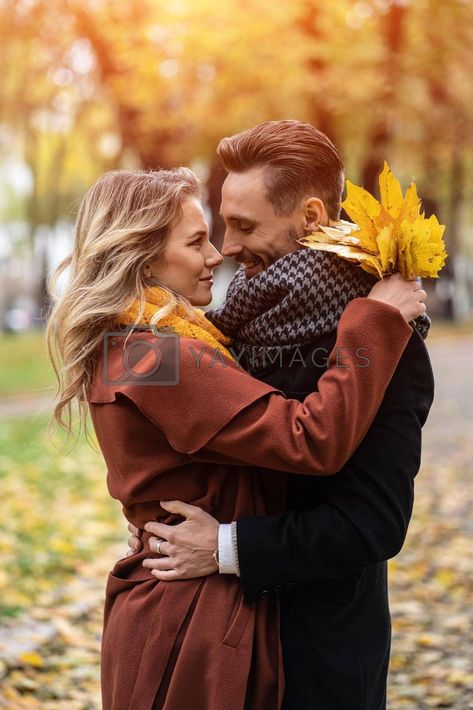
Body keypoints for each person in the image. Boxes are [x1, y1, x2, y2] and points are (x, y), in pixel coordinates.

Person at [45, 164, 426, 710]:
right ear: (141, 256)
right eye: (196, 241)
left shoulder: (137, 344)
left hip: (176, 612)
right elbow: (309, 439)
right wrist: (377, 321)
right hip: (192, 628)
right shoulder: (158, 357)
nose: (216, 254)